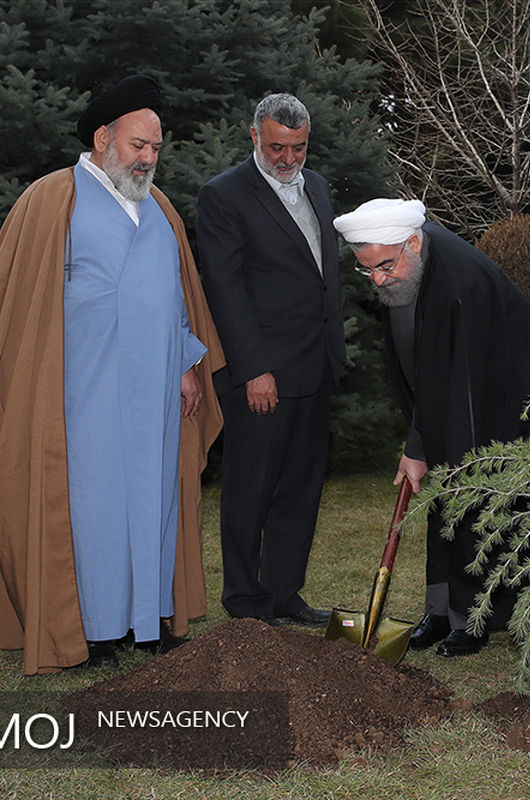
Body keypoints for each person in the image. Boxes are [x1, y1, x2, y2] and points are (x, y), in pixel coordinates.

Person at [0, 75, 224, 674]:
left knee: (154, 503)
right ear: (104, 137)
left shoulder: (159, 208)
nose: (148, 158)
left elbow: (178, 298)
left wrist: (187, 365)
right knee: (94, 508)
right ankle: (97, 633)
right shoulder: (54, 199)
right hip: (84, 394)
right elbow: (24, 304)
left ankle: (149, 624)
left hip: (154, 393)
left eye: (156, 148)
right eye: (138, 145)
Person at [333, 199, 530, 657]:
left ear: (413, 243)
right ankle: (442, 610)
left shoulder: (459, 287)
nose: (377, 279)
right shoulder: (411, 268)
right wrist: (421, 439)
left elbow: (462, 391)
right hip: (457, 392)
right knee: (444, 496)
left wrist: (420, 445)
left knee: (473, 495)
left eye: (383, 266)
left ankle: (474, 618)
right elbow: (426, 370)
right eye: (367, 270)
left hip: (510, 399)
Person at [195, 93, 343, 628]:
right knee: (250, 490)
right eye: (278, 147)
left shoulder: (320, 188)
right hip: (261, 374)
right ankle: (246, 602)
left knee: (300, 490)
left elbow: (324, 276)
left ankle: (284, 595)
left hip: (315, 368)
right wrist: (254, 369)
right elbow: (225, 291)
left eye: (298, 148)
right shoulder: (224, 196)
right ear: (254, 136)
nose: (288, 159)